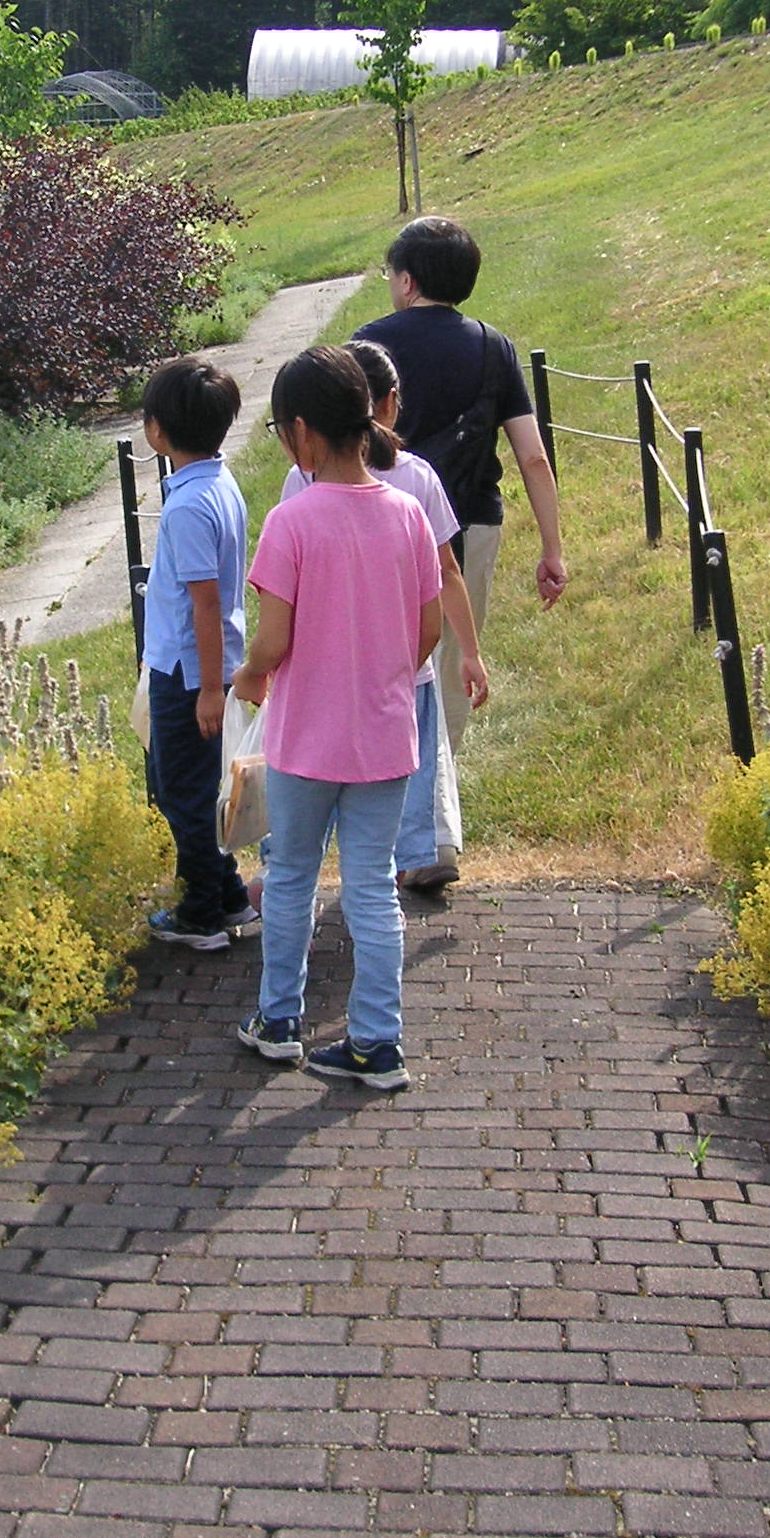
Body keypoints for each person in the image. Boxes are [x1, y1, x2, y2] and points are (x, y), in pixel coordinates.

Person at [233, 347, 443, 1091]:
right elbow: (429, 630)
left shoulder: (291, 522)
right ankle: (377, 1041)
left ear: (300, 433)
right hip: (385, 735)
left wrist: (251, 673)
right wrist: (381, 670)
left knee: (289, 875)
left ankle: (279, 1020)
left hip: (305, 740)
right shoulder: (408, 513)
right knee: (372, 886)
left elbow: (274, 638)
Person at [354, 216, 568, 771]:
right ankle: (438, 809)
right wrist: (553, 549)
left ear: (406, 281)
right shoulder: (493, 346)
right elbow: (533, 456)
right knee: (453, 668)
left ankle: (389, 785)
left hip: (381, 522)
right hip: (471, 522)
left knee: (386, 658)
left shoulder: (368, 348)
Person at [278, 339, 490, 895]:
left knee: (316, 780)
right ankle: (410, 861)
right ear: (387, 405)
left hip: (325, 678)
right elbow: (448, 574)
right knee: (404, 775)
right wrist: (465, 652)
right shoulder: (416, 480)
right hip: (404, 674)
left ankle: (301, 867)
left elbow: (285, 594)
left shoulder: (302, 482)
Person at [137, 357, 258, 952]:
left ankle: (201, 912)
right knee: (195, 785)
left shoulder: (186, 506)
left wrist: (209, 688)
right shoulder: (219, 484)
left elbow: (203, 602)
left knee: (178, 788)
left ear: (157, 430)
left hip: (188, 672)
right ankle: (230, 894)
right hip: (206, 665)